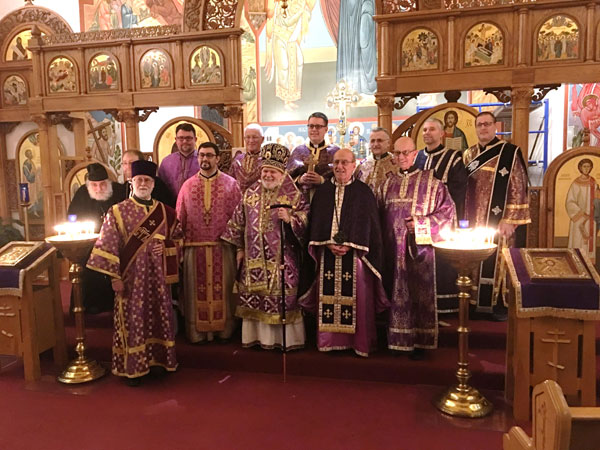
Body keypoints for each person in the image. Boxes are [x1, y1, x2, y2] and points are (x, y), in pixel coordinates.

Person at [87, 160, 182, 386]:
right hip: (131, 280)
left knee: (160, 317)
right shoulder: (117, 212)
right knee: (133, 320)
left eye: (147, 180)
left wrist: (167, 245)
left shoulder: (166, 213)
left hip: (158, 280)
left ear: (153, 183)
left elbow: (179, 240)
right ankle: (134, 366)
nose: (143, 183)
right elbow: (106, 245)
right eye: (139, 179)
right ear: (131, 182)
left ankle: (158, 362)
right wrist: (114, 277)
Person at [300, 148, 388, 357]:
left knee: (359, 300)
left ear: (353, 165)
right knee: (327, 296)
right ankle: (329, 341)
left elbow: (371, 228)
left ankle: (359, 343)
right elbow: (316, 224)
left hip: (357, 258)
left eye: (345, 163)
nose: (340, 167)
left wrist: (351, 244)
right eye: (336, 162)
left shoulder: (364, 192)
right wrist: (327, 243)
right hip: (326, 254)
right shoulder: (322, 193)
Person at [221, 143, 309, 350]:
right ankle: (257, 338)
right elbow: (238, 221)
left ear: (281, 172)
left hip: (282, 259)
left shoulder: (293, 194)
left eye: (272, 171)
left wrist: (291, 219)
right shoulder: (250, 192)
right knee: (254, 297)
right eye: (265, 170)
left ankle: (283, 340)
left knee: (283, 299)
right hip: (253, 258)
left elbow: (307, 220)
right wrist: (240, 249)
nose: (268, 175)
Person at [378, 137, 456, 359]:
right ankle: (394, 340)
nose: (401, 157)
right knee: (392, 293)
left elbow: (448, 213)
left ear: (415, 154)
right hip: (392, 252)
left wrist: (421, 224)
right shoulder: (386, 184)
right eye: (397, 153)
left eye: (406, 153)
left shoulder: (432, 183)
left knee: (418, 294)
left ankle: (420, 341)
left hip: (419, 253)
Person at [463, 111, 530, 315]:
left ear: (495, 127)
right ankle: (475, 302)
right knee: (475, 259)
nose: (483, 128)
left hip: (498, 219)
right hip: (474, 218)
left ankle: (498, 305)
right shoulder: (468, 154)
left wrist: (510, 219)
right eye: (479, 124)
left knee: (499, 259)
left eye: (487, 124)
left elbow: (519, 187)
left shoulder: (509, 152)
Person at [177, 142, 242, 344]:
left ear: (217, 158)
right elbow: (180, 218)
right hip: (193, 249)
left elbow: (239, 218)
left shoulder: (231, 184)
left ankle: (224, 331)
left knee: (223, 290)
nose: (205, 159)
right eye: (202, 155)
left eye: (209, 155)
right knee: (195, 293)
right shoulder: (187, 185)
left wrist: (239, 246)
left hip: (222, 248)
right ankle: (198, 333)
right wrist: (179, 247)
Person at [415, 118, 468, 314]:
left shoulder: (454, 157)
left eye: (432, 129)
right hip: (420, 219)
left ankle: (444, 305)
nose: (427, 133)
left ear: (442, 134)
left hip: (443, 218)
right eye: (425, 130)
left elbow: (459, 188)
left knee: (441, 260)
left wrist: (436, 197)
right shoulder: (418, 157)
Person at [68, 163, 126, 314]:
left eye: (102, 185)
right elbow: (72, 218)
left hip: (116, 244)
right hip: (89, 246)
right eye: (94, 185)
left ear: (108, 183)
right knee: (88, 269)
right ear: (88, 184)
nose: (99, 189)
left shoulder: (119, 191)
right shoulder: (82, 194)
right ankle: (89, 305)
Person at [287, 112, 340, 195]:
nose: (314, 129)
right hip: (302, 199)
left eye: (318, 126)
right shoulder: (298, 151)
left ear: (326, 129)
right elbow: (287, 177)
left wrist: (322, 180)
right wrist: (300, 179)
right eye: (311, 126)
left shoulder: (335, 152)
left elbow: (342, 177)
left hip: (327, 197)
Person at [566, 158, 600, 260]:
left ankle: (589, 263)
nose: (586, 169)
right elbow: (570, 202)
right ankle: (576, 260)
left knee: (590, 241)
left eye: (588, 166)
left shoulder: (593, 182)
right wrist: (581, 213)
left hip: (591, 217)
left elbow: (597, 200)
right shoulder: (575, 183)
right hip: (579, 218)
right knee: (577, 239)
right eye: (584, 166)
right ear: (580, 168)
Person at [158, 123, 200, 199]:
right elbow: (161, 188)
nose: (184, 141)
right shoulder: (166, 162)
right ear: (176, 140)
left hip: (197, 205)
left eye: (188, 138)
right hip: (171, 206)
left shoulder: (203, 161)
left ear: (195, 139)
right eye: (181, 138)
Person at [355, 127, 397, 193]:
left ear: (388, 143)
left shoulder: (396, 165)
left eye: (379, 140)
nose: (376, 144)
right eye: (372, 141)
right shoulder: (362, 165)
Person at [229, 124, 264, 192]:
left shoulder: (267, 161)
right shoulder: (237, 160)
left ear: (262, 139)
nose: (251, 140)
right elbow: (230, 182)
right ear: (244, 139)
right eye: (248, 137)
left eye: (254, 137)